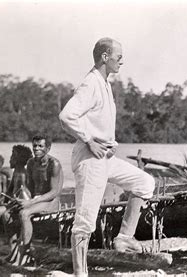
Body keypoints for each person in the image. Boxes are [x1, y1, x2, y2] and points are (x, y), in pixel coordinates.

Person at [59, 37, 155, 276]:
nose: (122, 61)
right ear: (105, 57)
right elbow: (67, 116)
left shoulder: (105, 83)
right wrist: (89, 140)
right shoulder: (90, 83)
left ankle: (124, 238)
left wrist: (109, 143)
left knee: (145, 182)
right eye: (118, 57)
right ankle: (80, 273)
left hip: (105, 157)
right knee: (85, 221)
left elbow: (98, 122)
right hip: (89, 159)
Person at [2, 135, 63, 266]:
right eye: (34, 145)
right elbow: (29, 188)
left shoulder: (54, 164)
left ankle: (25, 253)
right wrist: (20, 198)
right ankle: (13, 252)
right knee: (7, 214)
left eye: (40, 146)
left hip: (51, 201)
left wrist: (31, 202)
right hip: (36, 200)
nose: (36, 149)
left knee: (24, 214)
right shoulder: (30, 163)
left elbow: (54, 192)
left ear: (48, 148)